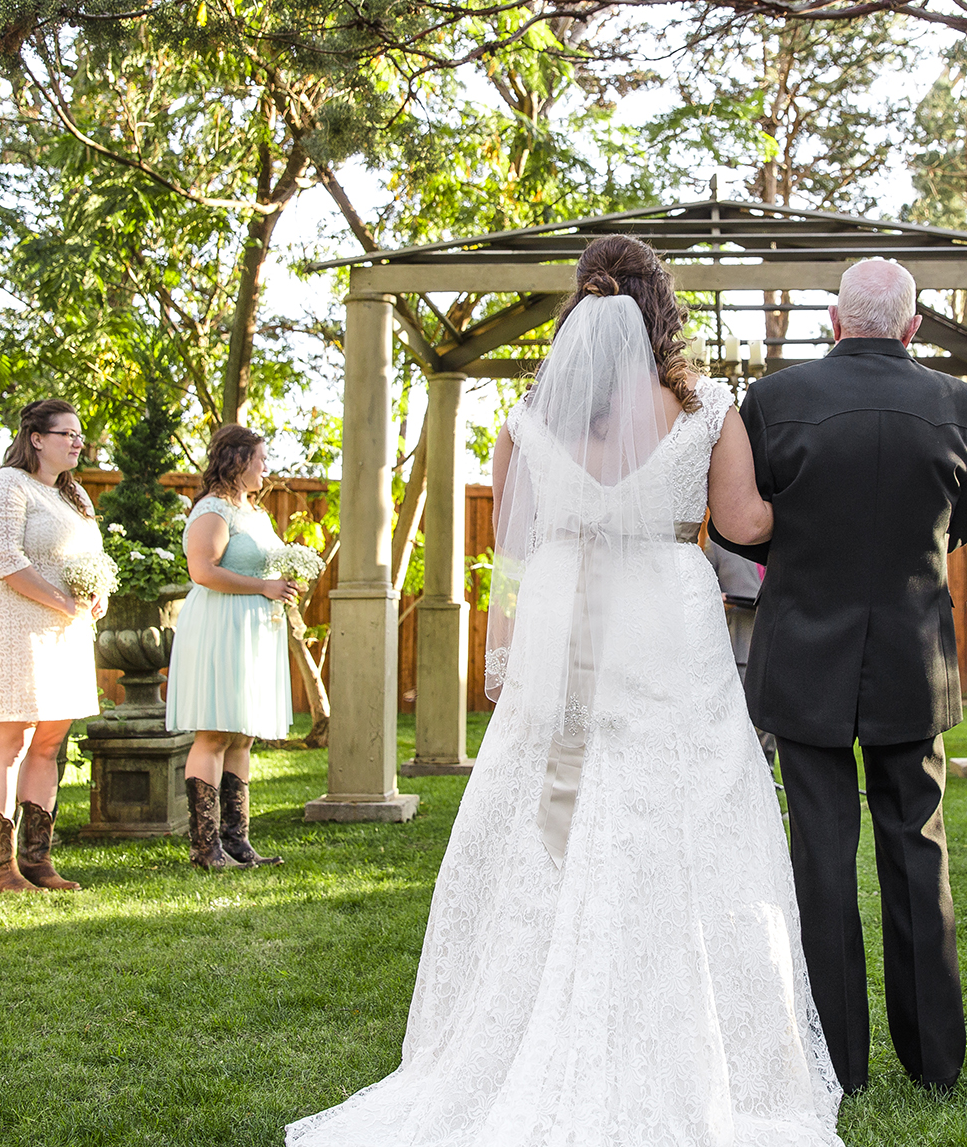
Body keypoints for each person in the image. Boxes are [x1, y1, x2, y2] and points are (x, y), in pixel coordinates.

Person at [287, 236, 841, 1146]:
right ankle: (713, 1041)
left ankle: (519, 1020)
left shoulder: (526, 420)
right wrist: (819, 500)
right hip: (666, 616)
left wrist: (519, 645)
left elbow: (518, 544)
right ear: (663, 307)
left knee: (551, 811)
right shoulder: (704, 407)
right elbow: (743, 523)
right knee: (688, 802)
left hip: (563, 620)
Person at [713, 256, 967, 1097]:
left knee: (820, 857)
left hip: (804, 655)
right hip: (913, 655)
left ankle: (837, 1061)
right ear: (911, 326)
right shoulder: (960, 403)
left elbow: (746, 529)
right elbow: (959, 522)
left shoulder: (772, 400)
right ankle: (935, 1062)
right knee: (918, 850)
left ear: (835, 321)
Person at [0, 399, 106, 893]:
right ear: (36, 438)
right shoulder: (5, 485)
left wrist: (96, 596)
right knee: (12, 740)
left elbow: (94, 559)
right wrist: (58, 600)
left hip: (66, 631)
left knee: (50, 741)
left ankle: (38, 860)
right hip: (17, 625)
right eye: (66, 433)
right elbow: (1, 556)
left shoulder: (76, 498)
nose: (77, 442)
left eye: (79, 434)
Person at [166, 422, 297, 870]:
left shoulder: (254, 512)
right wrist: (263, 586)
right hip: (221, 625)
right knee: (215, 732)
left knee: (242, 733)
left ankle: (236, 842)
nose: (266, 467)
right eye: (260, 459)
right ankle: (206, 849)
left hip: (256, 629)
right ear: (238, 461)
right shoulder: (214, 510)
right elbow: (202, 571)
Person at [704, 534, 776, 765]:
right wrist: (720, 600)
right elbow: (704, 591)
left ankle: (768, 778)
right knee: (740, 724)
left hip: (776, 650)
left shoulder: (780, 540)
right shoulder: (716, 545)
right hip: (739, 647)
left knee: (769, 726)